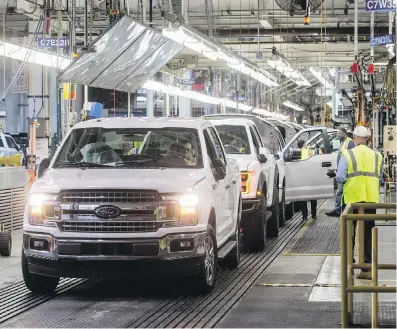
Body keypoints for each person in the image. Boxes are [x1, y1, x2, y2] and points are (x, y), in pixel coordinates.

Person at [336, 126, 382, 280]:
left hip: (351, 201)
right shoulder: (377, 155)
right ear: (368, 139)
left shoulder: (348, 154)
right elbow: (379, 177)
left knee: (349, 233)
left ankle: (349, 267)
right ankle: (367, 269)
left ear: (354, 137)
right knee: (367, 234)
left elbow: (340, 177)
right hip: (370, 200)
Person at [326, 128, 355, 217]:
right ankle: (338, 209)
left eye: (339, 133)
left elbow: (352, 157)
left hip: (346, 172)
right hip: (341, 171)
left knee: (340, 191)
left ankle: (338, 210)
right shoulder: (342, 143)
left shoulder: (350, 143)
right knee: (340, 192)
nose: (337, 135)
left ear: (345, 134)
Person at [297, 139, 317, 221]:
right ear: (303, 144)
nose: (307, 145)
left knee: (303, 199)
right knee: (313, 197)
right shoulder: (306, 152)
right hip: (310, 177)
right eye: (306, 143)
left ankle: (304, 216)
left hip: (302, 178)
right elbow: (317, 154)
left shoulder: (298, 153)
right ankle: (314, 214)